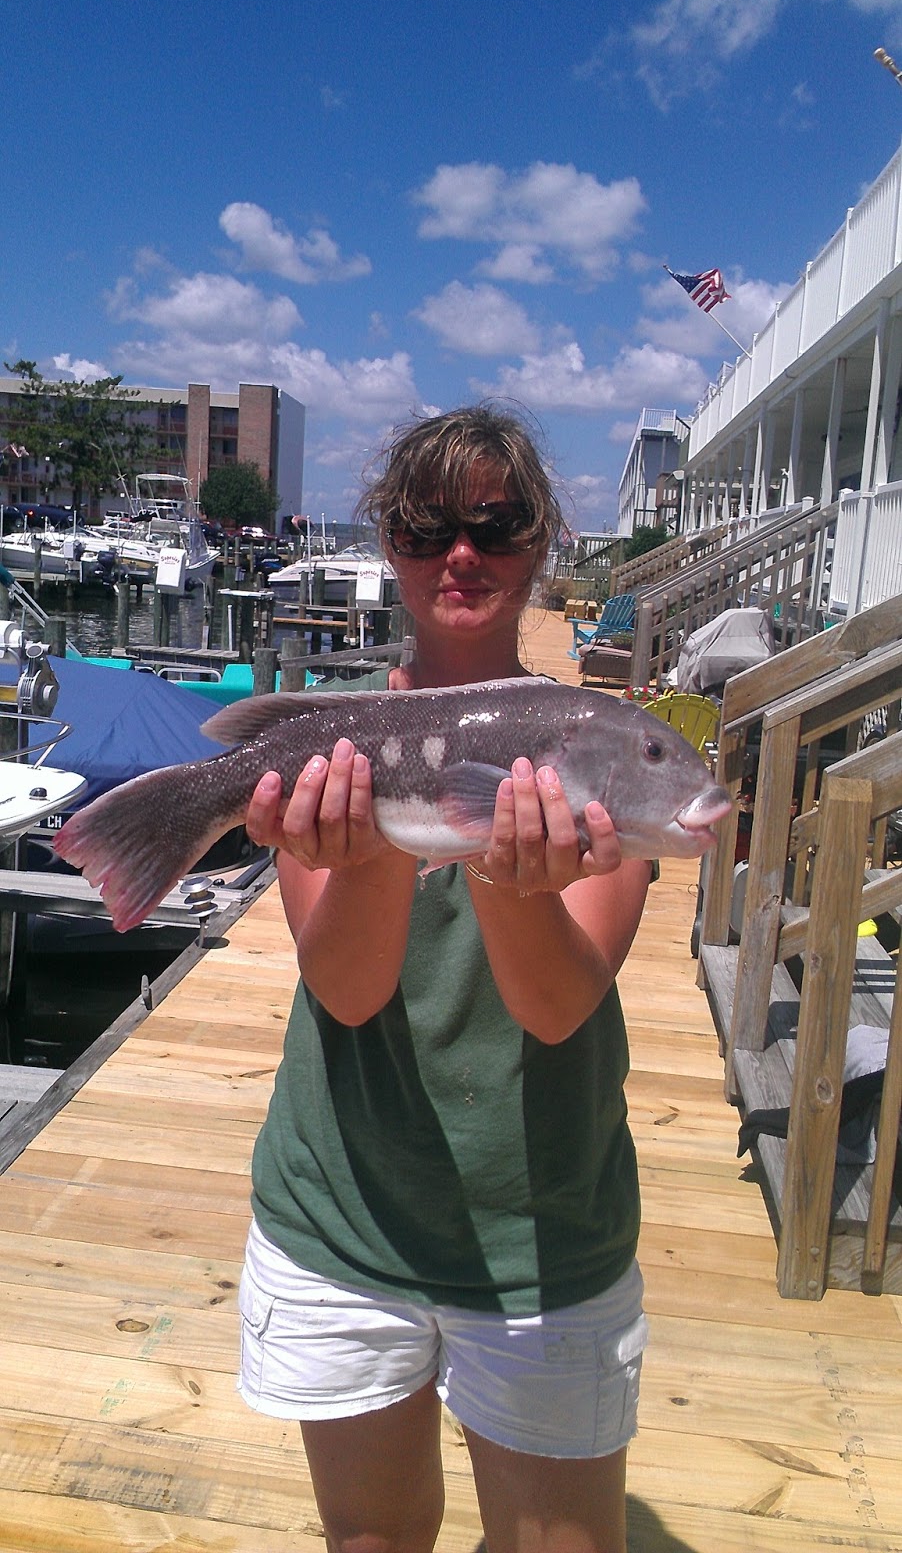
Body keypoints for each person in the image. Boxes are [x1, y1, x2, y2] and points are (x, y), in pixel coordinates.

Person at [239, 404, 652, 1553]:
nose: (459, 554)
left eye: (495, 522)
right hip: (341, 1218)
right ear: (387, 542)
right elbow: (350, 991)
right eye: (424, 528)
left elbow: (557, 1004)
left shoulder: (601, 745)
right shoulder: (334, 748)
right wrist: (364, 849)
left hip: (542, 1234)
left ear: (539, 542)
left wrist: (506, 875)